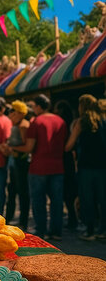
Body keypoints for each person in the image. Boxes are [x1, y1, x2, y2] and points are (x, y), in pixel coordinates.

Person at [12, 94, 67, 240]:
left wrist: (14, 148)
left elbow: (29, 147)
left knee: (38, 200)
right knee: (56, 201)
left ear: (38, 106)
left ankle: (41, 231)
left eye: (34, 106)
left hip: (39, 167)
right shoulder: (60, 121)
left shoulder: (36, 122)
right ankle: (56, 232)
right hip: (57, 166)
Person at [65, 95, 106, 241]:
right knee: (103, 199)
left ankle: (89, 231)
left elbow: (69, 145)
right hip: (103, 166)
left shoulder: (81, 122)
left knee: (87, 198)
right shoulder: (103, 120)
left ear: (82, 106)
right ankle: (103, 230)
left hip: (86, 166)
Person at [5, 101, 31, 230]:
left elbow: (27, 146)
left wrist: (12, 148)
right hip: (15, 162)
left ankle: (23, 221)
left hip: (21, 162)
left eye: (13, 112)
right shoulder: (17, 124)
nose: (11, 115)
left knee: (22, 192)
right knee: (12, 190)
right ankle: (9, 218)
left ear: (20, 113)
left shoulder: (23, 126)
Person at [53, 100, 78, 230]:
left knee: (65, 193)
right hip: (68, 162)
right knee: (69, 192)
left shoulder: (61, 125)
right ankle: (72, 219)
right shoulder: (70, 123)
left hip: (63, 159)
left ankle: (71, 220)